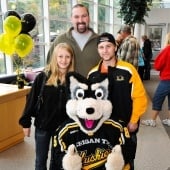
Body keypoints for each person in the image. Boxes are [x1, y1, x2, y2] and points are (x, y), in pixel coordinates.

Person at [88, 32, 147, 170]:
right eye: (101, 47)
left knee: (127, 159)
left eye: (108, 46)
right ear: (98, 50)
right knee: (104, 161)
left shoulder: (128, 70)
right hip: (102, 128)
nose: (105, 50)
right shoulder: (92, 74)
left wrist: (134, 119)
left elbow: (139, 97)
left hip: (126, 126)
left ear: (115, 47)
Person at [19, 43, 75, 170]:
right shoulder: (43, 77)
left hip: (63, 128)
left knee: (58, 160)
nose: (63, 60)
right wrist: (25, 123)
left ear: (71, 58)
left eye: (67, 57)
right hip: (43, 126)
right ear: (55, 57)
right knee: (41, 160)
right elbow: (31, 101)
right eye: (60, 56)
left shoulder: (73, 79)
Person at [47, 3, 100, 77]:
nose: (80, 20)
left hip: (93, 87)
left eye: (84, 16)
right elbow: (49, 66)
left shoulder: (100, 42)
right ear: (71, 19)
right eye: (76, 17)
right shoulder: (60, 40)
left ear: (89, 17)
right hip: (66, 87)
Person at [141, 32, 170, 127]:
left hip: (167, 79)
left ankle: (152, 120)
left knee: (158, 98)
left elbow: (157, 66)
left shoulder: (167, 50)